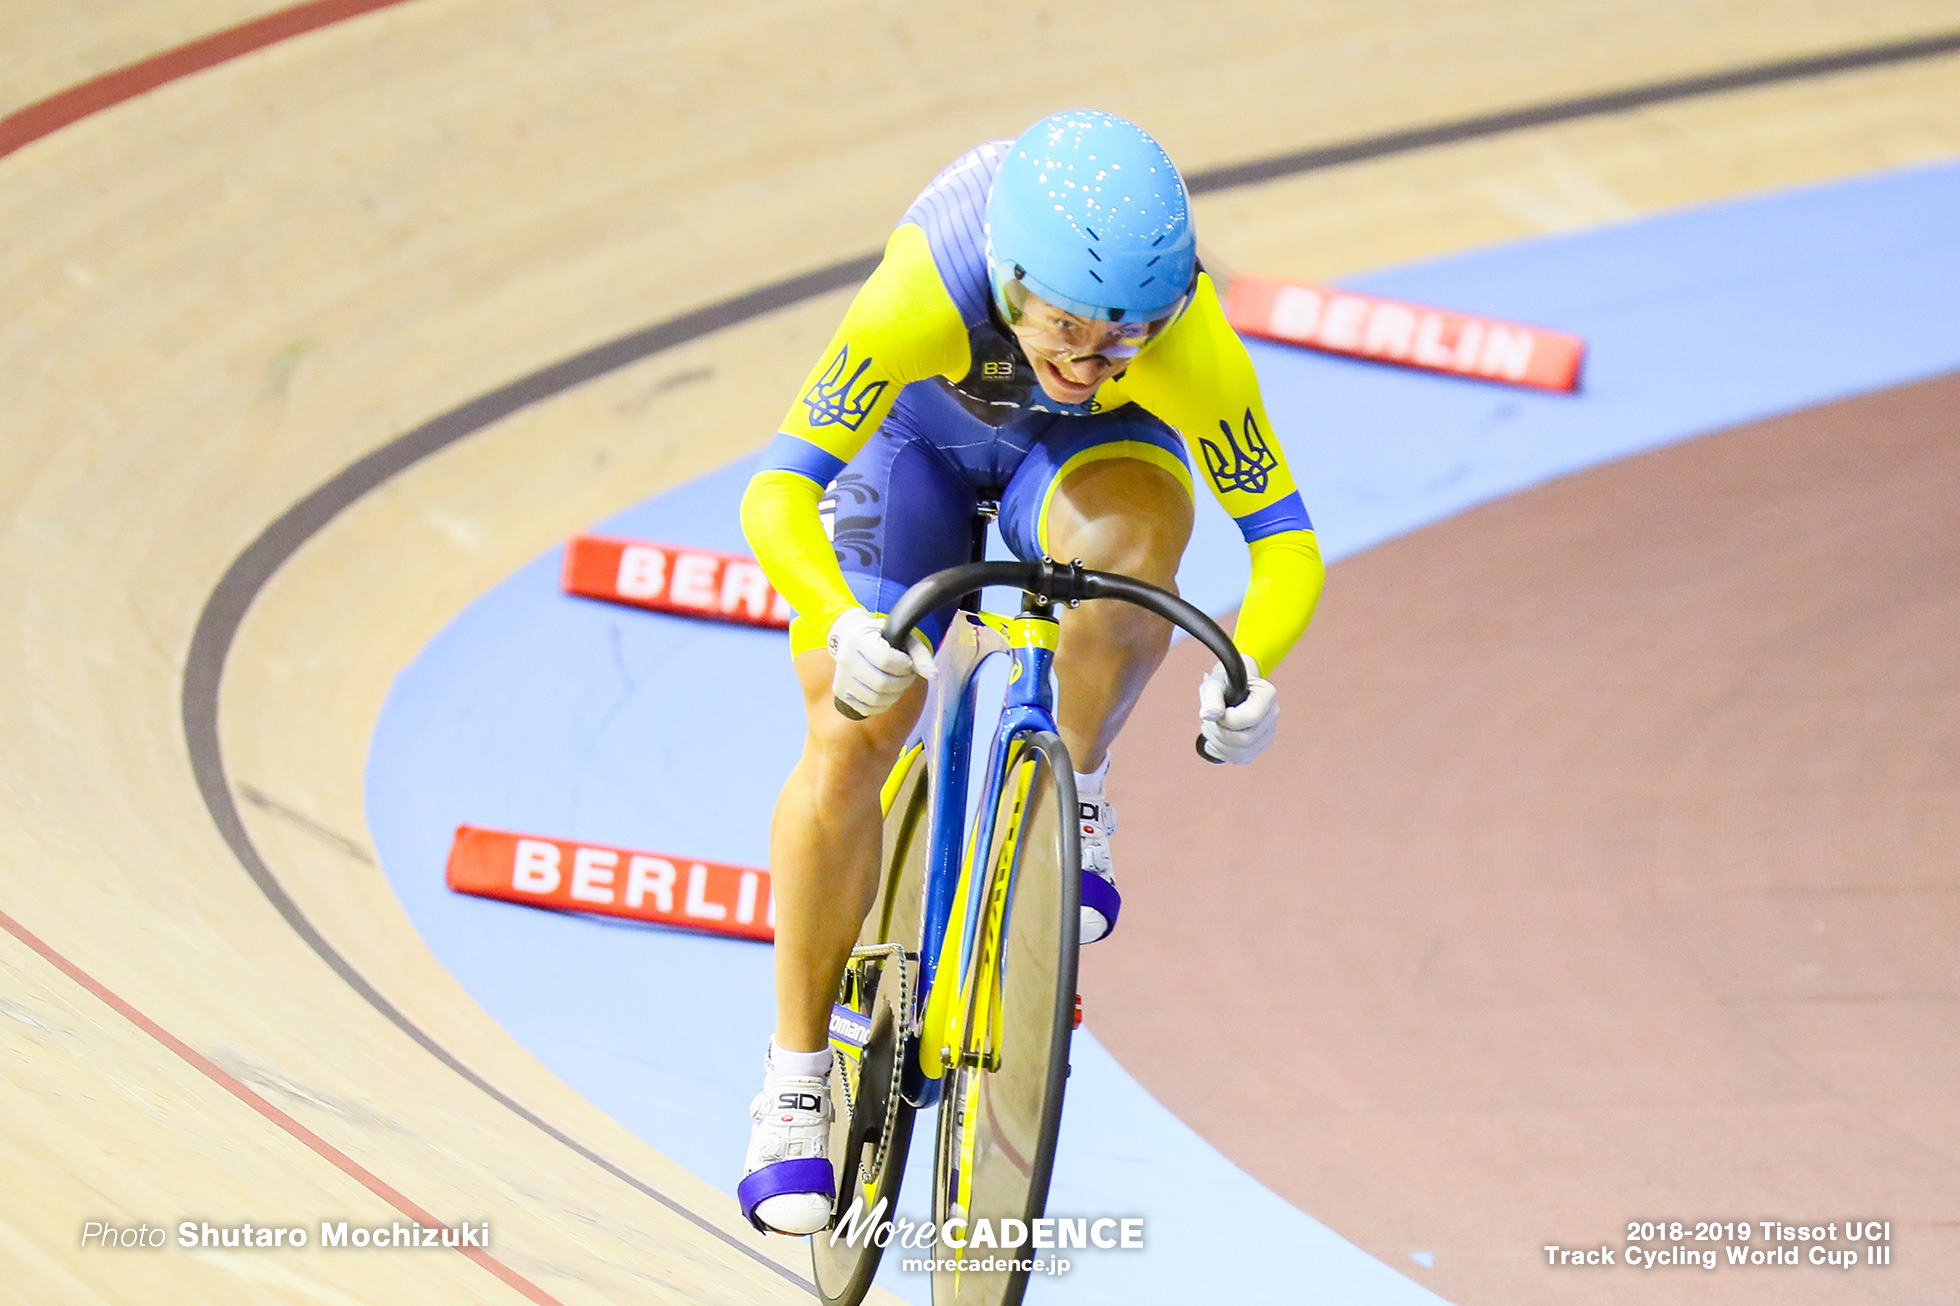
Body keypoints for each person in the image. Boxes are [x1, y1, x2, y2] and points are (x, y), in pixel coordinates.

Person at [734, 109, 1324, 1235]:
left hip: (1072, 468)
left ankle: (1079, 786)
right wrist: (836, 617)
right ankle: (797, 1075)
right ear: (1006, 282)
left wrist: (1251, 664)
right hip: (910, 445)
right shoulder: (920, 297)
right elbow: (776, 493)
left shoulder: (1188, 339)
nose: (1089, 362)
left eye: (1124, 341)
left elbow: (1284, 542)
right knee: (852, 728)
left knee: (1137, 545)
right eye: (1066, 330)